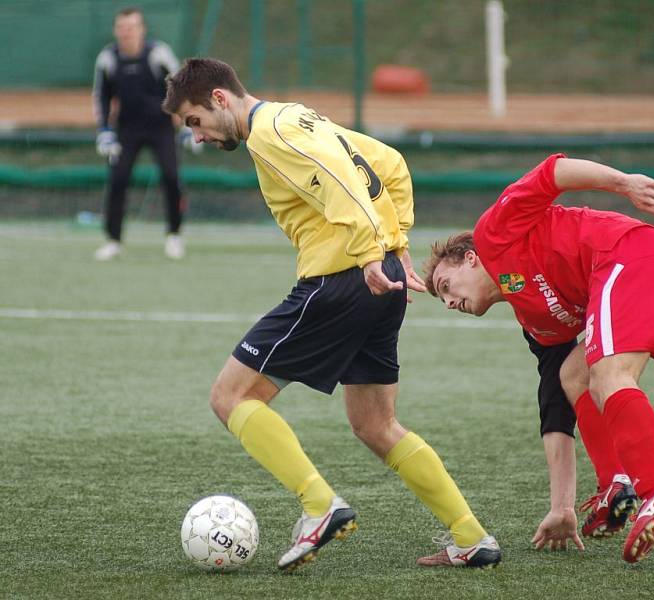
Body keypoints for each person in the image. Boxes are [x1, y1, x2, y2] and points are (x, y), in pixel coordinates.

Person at [162, 57, 501, 571]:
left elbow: (339, 176)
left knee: (230, 396)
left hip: (343, 277)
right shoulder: (297, 117)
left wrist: (369, 252)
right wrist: (394, 243)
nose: (198, 136)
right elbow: (388, 163)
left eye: (194, 122)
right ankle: (471, 536)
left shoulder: (269, 134)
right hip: (376, 277)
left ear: (219, 99)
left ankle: (319, 506)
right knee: (376, 423)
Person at [424, 153, 654, 563]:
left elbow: (554, 173)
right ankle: (614, 486)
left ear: (470, 258)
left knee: (609, 377)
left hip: (632, 254)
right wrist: (562, 506)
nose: (448, 301)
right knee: (574, 375)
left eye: (445, 285)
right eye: (442, 298)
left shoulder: (493, 233)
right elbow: (555, 406)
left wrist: (624, 184)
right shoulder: (535, 320)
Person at [92, 6, 198, 261]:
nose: (126, 33)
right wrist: (105, 131)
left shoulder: (157, 54)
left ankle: (174, 235)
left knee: (172, 178)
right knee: (117, 181)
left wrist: (188, 125)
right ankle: (113, 240)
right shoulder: (107, 58)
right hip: (126, 130)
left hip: (160, 128)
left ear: (142, 29)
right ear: (116, 30)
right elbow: (101, 97)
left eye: (131, 27)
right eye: (122, 28)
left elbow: (180, 89)